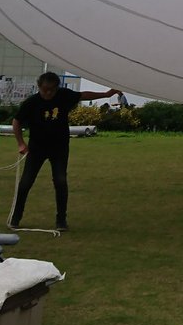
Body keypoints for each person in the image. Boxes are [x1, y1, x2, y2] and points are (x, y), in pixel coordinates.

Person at [10, 71, 123, 230]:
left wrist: (105, 94)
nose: (48, 93)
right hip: (37, 148)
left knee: (60, 181)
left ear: (57, 88)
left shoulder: (63, 95)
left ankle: (61, 220)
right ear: (39, 87)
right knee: (26, 182)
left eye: (52, 90)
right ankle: (15, 218)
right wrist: (21, 143)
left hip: (59, 148)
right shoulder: (32, 102)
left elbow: (83, 95)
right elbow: (16, 122)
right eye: (45, 90)